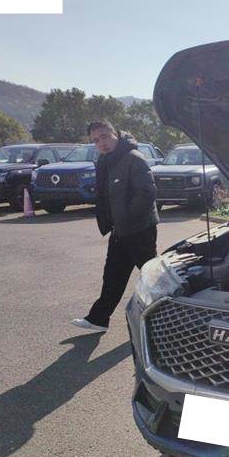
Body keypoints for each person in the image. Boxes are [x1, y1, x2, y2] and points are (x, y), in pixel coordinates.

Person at [72, 121, 159, 332]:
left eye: (104, 136)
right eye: (95, 140)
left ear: (115, 134)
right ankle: (98, 319)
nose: (101, 143)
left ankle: (167, 320)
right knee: (113, 275)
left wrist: (128, 218)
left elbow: (147, 193)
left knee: (152, 278)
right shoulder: (105, 160)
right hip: (120, 230)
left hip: (140, 230)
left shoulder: (133, 158)